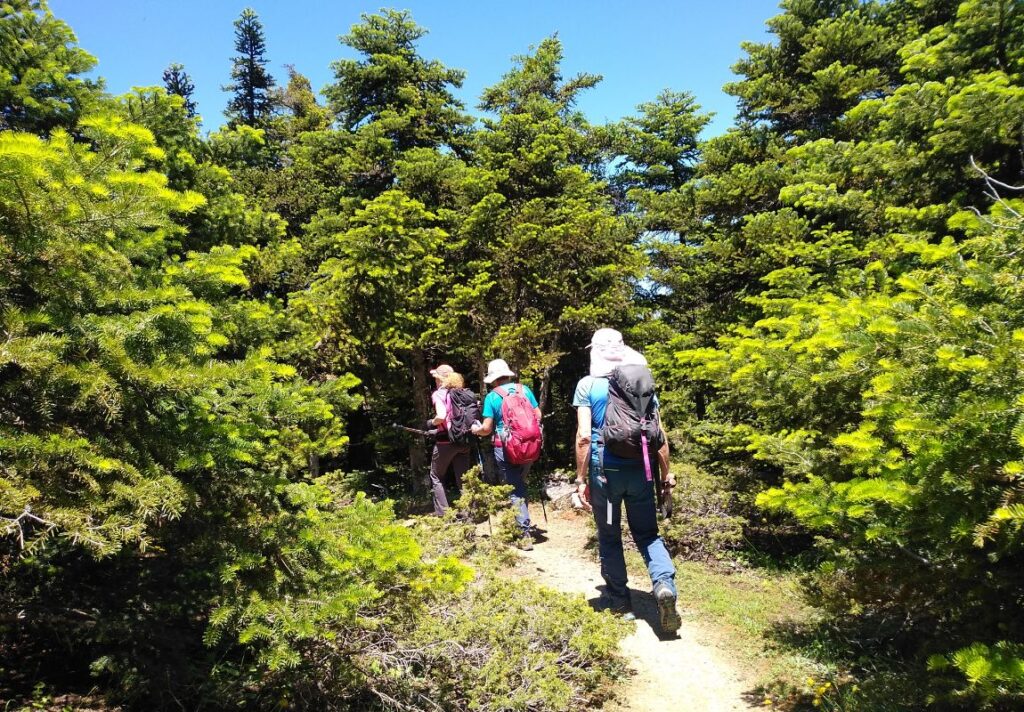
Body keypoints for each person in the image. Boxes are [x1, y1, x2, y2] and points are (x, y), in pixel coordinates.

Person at [573, 328, 681, 634]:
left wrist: (581, 480)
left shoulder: (587, 385)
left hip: (606, 475)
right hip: (641, 473)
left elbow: (583, 437)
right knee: (647, 533)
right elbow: (659, 437)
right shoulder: (641, 383)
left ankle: (620, 601)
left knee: (609, 534)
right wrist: (664, 478)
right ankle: (663, 585)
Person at [471, 359, 542, 550]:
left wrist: (476, 430)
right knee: (520, 483)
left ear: (493, 379)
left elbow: (486, 428)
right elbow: (538, 415)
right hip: (529, 446)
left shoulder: (493, 397)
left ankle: (522, 533)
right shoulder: (524, 389)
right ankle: (521, 522)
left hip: (505, 447)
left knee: (514, 487)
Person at [427, 364, 470, 517]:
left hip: (445, 442)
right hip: (463, 441)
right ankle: (468, 513)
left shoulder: (439, 394)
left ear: (440, 379)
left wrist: (432, 423)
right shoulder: (461, 393)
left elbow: (441, 415)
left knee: (436, 476)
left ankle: (444, 515)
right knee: (464, 478)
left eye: (436, 378)